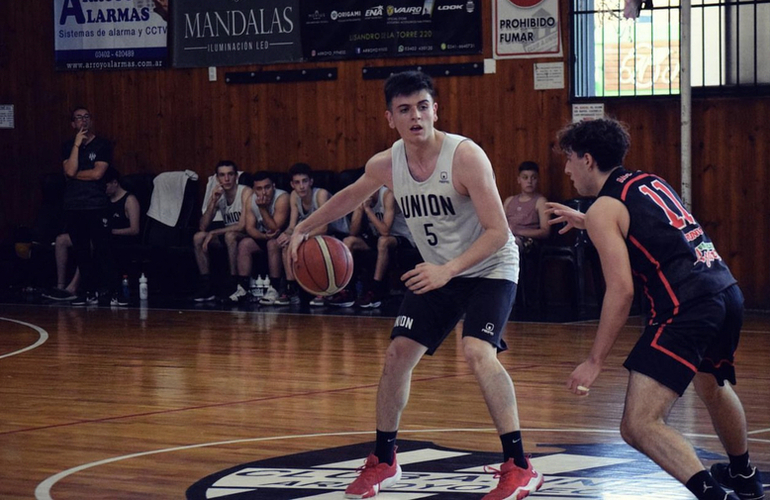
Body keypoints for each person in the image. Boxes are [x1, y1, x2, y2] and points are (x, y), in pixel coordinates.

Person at [289, 71, 543, 500]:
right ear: (390, 118)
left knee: (476, 352)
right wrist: (303, 228)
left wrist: (448, 270)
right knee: (397, 354)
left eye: (423, 106)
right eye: (405, 109)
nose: (416, 116)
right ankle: (385, 460)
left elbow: (499, 232)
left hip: (489, 265)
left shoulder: (465, 157)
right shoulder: (387, 163)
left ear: (435, 110)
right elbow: (351, 195)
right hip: (440, 270)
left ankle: (519, 465)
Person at [548, 118, 764, 500]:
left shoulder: (603, 210)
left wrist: (595, 360)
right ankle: (744, 476)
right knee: (713, 385)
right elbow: (655, 231)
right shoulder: (648, 181)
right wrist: (591, 223)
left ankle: (716, 497)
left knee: (638, 424)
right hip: (725, 292)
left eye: (568, 159)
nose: (566, 169)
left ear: (586, 159)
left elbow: (621, 291)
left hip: (687, 306)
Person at [45, 167, 140, 303]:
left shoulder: (129, 200)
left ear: (115, 183)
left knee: (90, 244)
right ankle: (60, 286)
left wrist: (111, 232)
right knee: (61, 240)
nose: (103, 189)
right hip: (100, 234)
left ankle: (74, 287)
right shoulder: (103, 200)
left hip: (118, 237)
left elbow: (135, 229)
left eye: (105, 185)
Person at [61, 106, 119, 306]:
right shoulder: (68, 145)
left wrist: (74, 175)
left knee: (103, 249)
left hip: (96, 204)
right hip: (74, 205)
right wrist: (76, 146)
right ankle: (88, 292)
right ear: (73, 124)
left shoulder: (102, 145)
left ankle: (113, 292)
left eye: (86, 117)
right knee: (81, 250)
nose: (82, 121)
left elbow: (97, 174)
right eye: (78, 118)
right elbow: (68, 169)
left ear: (91, 120)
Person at [327, 186, 415, 309]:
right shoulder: (363, 197)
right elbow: (352, 232)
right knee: (349, 241)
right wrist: (359, 209)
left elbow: (385, 231)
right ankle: (347, 290)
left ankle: (375, 291)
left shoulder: (387, 195)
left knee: (383, 241)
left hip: (401, 237)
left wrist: (368, 210)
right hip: (377, 238)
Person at [274, 162, 348, 306]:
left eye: (304, 181)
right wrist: (285, 235)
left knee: (316, 249)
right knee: (286, 246)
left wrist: (300, 236)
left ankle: (322, 292)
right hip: (314, 233)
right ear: (292, 184)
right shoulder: (294, 196)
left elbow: (324, 227)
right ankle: (291, 289)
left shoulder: (321, 194)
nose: (301, 186)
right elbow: (292, 226)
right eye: (297, 182)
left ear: (311, 182)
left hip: (337, 233)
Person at [192, 160, 252, 302]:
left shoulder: (245, 192)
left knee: (230, 236)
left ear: (236, 176)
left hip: (247, 234)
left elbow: (243, 226)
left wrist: (215, 232)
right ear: (217, 178)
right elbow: (203, 226)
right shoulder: (218, 194)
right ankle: (206, 286)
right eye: (222, 175)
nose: (226, 179)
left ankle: (234, 283)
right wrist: (212, 202)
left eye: (230, 174)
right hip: (226, 235)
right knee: (198, 237)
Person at [229, 171, 289, 303]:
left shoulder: (282, 197)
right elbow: (250, 228)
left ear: (273, 186)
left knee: (272, 244)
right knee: (245, 244)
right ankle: (243, 289)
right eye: (259, 188)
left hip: (282, 238)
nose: (264, 192)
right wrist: (263, 236)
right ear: (254, 189)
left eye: (267, 187)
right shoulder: (251, 199)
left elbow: (275, 228)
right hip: (265, 237)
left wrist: (262, 209)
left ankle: (274, 288)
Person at [503, 161, 550, 249]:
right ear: (518, 180)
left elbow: (545, 232)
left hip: (529, 241)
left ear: (538, 180)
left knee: (512, 244)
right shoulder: (509, 200)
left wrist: (517, 231)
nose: (529, 181)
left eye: (533, 178)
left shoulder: (540, 201)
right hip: (507, 237)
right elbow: (500, 223)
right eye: (525, 177)